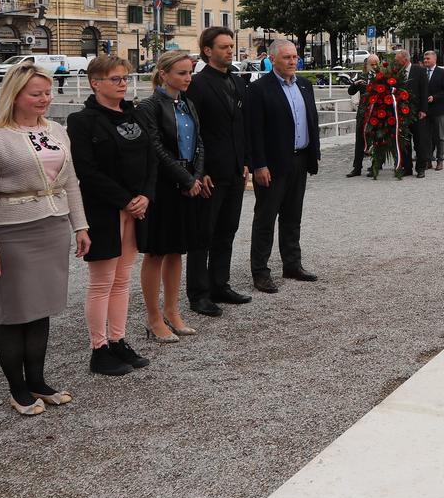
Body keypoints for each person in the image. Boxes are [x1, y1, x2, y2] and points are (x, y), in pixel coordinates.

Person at [0, 63, 90, 416]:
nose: (45, 99)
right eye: (36, 94)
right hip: (13, 231)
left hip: (52, 226)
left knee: (41, 309)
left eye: (47, 92)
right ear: (15, 95)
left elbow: (70, 181)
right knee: (14, 312)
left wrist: (80, 226)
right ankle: (18, 388)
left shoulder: (56, 129)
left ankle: (38, 381)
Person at [67, 55, 154, 378]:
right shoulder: (82, 121)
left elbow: (151, 158)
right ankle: (99, 347)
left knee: (122, 279)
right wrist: (125, 200)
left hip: (136, 207)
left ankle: (118, 339)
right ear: (95, 83)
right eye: (115, 79)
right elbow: (87, 170)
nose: (122, 84)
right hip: (105, 209)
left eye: (125, 79)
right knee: (102, 281)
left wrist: (146, 195)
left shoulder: (136, 115)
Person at [133, 50, 208, 342]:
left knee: (177, 249)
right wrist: (186, 178)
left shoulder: (187, 103)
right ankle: (153, 317)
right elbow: (155, 147)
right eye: (182, 73)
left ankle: (172, 311)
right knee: (156, 251)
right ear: (163, 74)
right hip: (163, 185)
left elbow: (199, 142)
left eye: (190, 73)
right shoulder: (149, 106)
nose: (188, 78)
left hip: (187, 182)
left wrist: (196, 176)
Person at [186, 27, 252, 317]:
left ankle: (219, 284)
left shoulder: (237, 81)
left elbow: (242, 126)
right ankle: (198, 293)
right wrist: (200, 171)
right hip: (210, 172)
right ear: (207, 50)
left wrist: (246, 161)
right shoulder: (197, 85)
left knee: (227, 231)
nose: (230, 50)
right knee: (203, 234)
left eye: (231, 46)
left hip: (235, 169)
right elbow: (194, 131)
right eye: (223, 46)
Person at [247, 39, 321, 290]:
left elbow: (311, 120)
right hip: (272, 163)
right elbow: (254, 131)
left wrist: (314, 153)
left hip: (300, 159)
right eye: (287, 57)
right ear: (272, 59)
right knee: (266, 218)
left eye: (295, 57)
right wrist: (259, 165)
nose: (292, 61)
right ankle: (260, 271)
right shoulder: (259, 89)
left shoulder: (304, 85)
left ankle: (292, 264)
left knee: (292, 215)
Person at [346, 53, 381, 177]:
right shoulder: (362, 76)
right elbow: (350, 92)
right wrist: (355, 84)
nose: (374, 66)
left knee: (376, 140)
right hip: (363, 114)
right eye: (372, 64)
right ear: (367, 65)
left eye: (376, 64)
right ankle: (357, 168)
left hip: (377, 114)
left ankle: (375, 166)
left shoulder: (382, 78)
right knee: (359, 141)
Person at [423, 49, 444, 170]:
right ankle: (428, 159)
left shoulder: (442, 72)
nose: (425, 61)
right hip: (425, 109)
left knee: (439, 136)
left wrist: (435, 97)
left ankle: (440, 160)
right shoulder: (422, 72)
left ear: (434, 59)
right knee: (426, 136)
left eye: (428, 59)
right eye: (424, 59)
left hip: (438, 108)